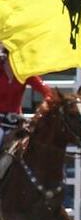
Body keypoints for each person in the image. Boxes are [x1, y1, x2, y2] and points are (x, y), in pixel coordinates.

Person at [0, 43, 52, 177]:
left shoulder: (24, 74)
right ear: (6, 56)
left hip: (17, 122)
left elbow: (47, 92)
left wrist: (44, 108)